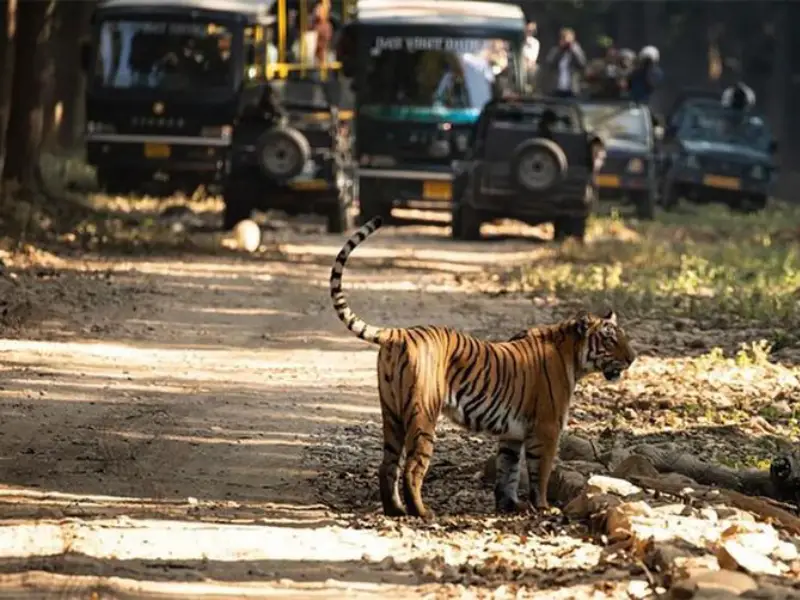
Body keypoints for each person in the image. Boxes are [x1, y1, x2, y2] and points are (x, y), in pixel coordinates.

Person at [544, 28, 587, 98]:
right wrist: (560, 50)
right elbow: (549, 63)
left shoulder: (576, 51)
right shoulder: (556, 51)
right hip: (557, 88)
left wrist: (573, 49)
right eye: (563, 39)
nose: (566, 42)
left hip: (572, 89)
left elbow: (582, 63)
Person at [522, 21, 539, 91]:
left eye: (532, 30)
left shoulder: (535, 42)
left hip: (529, 65)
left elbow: (533, 58)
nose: (530, 32)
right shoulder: (519, 40)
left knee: (535, 69)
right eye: (528, 30)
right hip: (519, 63)